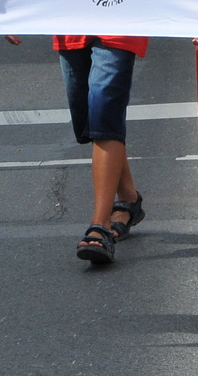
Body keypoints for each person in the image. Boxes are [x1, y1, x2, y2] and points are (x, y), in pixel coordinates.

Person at [58, 34, 149, 265]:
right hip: (70, 23)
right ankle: (129, 199)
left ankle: (100, 226)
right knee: (89, 115)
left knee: (104, 106)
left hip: (120, 19)